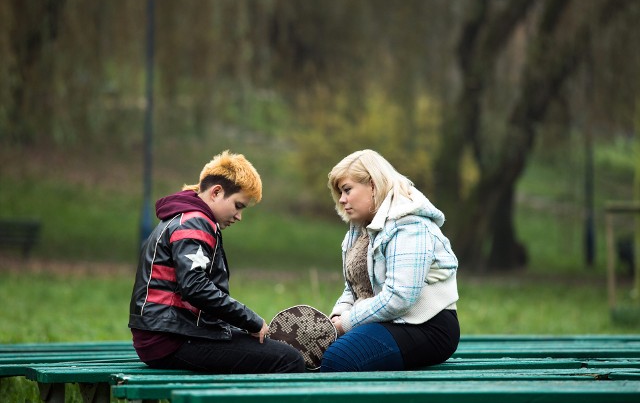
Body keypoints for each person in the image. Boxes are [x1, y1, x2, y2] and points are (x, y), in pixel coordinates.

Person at [128, 150, 305, 373]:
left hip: (166, 334)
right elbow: (196, 287)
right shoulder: (195, 223)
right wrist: (251, 320)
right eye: (238, 205)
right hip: (170, 340)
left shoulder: (183, 218)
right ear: (216, 192)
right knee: (289, 360)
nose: (239, 216)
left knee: (268, 351)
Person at [321, 149, 460, 372]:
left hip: (426, 327)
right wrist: (338, 314)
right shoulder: (358, 230)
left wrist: (346, 323)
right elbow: (353, 287)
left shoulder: (410, 225)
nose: (342, 199)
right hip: (385, 322)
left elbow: (400, 297)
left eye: (347, 190)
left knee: (339, 359)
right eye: (339, 192)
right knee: (314, 355)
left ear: (373, 185)